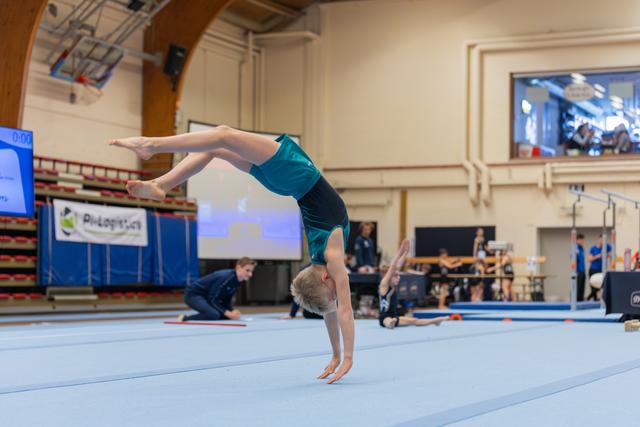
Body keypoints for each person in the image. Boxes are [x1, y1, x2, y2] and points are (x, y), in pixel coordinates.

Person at [109, 125, 354, 384]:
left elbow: (341, 311)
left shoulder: (331, 257)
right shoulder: (327, 260)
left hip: (296, 176)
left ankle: (152, 146)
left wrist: (344, 355)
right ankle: (162, 184)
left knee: (224, 135)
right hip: (289, 181)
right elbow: (335, 309)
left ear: (326, 278)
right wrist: (339, 354)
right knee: (216, 147)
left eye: (334, 292)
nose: (339, 292)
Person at [378, 239, 447, 329]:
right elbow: (393, 267)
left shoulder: (392, 285)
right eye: (395, 276)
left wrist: (406, 252)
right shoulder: (384, 285)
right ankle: (390, 324)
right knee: (387, 320)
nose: (398, 278)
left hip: (394, 316)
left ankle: (435, 321)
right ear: (389, 276)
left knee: (414, 320)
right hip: (384, 317)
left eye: (398, 276)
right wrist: (400, 251)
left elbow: (398, 266)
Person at [180, 258, 256, 321]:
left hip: (207, 296)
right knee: (213, 315)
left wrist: (231, 311)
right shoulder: (225, 277)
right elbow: (212, 299)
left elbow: (227, 299)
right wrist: (228, 313)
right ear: (238, 267)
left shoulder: (239, 280)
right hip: (194, 295)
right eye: (247, 270)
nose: (250, 274)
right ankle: (186, 318)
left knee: (226, 315)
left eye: (251, 271)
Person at [587, 234, 612, 301]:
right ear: (598, 240)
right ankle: (594, 299)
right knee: (593, 285)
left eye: (603, 240)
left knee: (600, 285)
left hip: (601, 269)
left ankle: (588, 297)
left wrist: (606, 254)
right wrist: (596, 256)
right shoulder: (593, 248)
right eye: (601, 240)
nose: (602, 241)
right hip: (593, 269)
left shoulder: (606, 246)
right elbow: (589, 259)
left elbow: (610, 255)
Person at [575, 233, 586, 302]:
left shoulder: (582, 248)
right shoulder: (575, 248)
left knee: (582, 287)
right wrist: (575, 271)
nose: (582, 241)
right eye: (581, 240)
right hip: (578, 271)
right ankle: (576, 300)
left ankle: (581, 300)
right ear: (577, 240)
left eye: (583, 240)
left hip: (582, 270)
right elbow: (573, 259)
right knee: (578, 287)